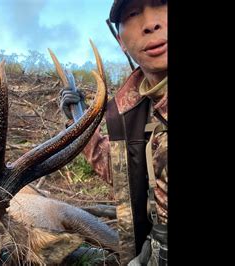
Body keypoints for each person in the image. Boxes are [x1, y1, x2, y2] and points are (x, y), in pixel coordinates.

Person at [60, 0, 167, 265]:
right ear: (120, 40)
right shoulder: (130, 111)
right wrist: (79, 123)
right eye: (133, 13)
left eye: (162, 4)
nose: (151, 23)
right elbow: (125, 172)